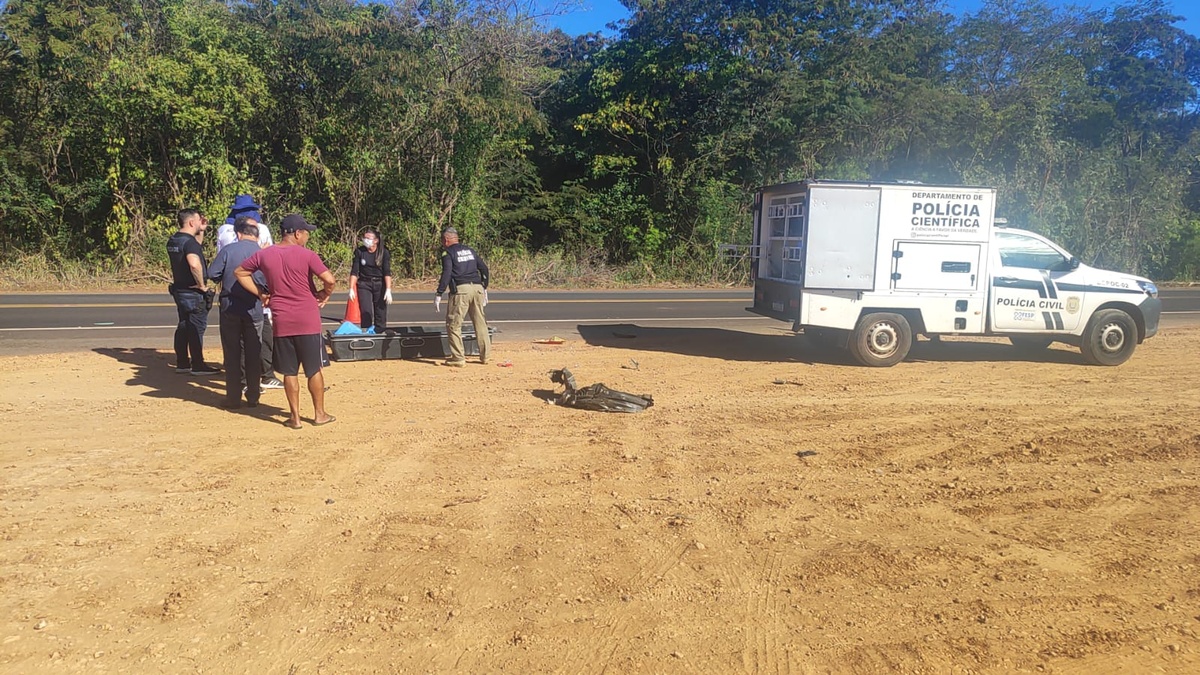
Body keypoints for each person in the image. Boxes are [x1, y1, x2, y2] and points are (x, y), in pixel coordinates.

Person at [235, 213, 337, 429]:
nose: (307, 237)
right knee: (314, 369)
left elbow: (240, 272)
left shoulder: (265, 254)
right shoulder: (308, 255)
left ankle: (296, 418)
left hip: (282, 319)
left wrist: (261, 294)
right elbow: (330, 279)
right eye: (306, 233)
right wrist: (324, 294)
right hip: (307, 319)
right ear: (297, 233)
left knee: (289, 372)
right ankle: (319, 414)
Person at [208, 216, 266, 408]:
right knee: (253, 351)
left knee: (232, 353)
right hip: (254, 309)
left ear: (239, 234)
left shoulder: (228, 250)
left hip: (230, 308)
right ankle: (253, 396)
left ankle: (233, 398)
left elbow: (213, 274)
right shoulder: (263, 253)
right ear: (257, 236)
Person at [166, 208, 219, 375]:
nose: (200, 222)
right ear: (190, 222)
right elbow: (194, 263)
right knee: (196, 327)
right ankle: (198, 364)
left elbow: (195, 247)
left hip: (180, 290)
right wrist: (202, 285)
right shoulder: (189, 243)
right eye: (198, 220)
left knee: (183, 325)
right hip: (193, 292)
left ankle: (182, 362)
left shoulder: (174, 240)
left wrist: (201, 231)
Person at [434, 226, 490, 367]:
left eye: (442, 240)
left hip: (461, 290)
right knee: (480, 323)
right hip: (477, 288)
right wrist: (484, 286)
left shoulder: (448, 253)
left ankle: (458, 358)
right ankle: (485, 356)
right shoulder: (470, 250)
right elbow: (484, 268)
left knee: (453, 324)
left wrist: (439, 292)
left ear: (446, 240)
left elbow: (447, 273)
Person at [348, 227, 393, 333]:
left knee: (380, 311)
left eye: (368, 238)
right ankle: (366, 334)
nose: (365, 240)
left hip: (379, 283)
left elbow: (387, 272)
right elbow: (354, 271)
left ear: (376, 240)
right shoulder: (360, 252)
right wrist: (351, 288)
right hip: (364, 283)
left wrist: (388, 289)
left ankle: (380, 332)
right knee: (366, 310)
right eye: (364, 238)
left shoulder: (383, 252)